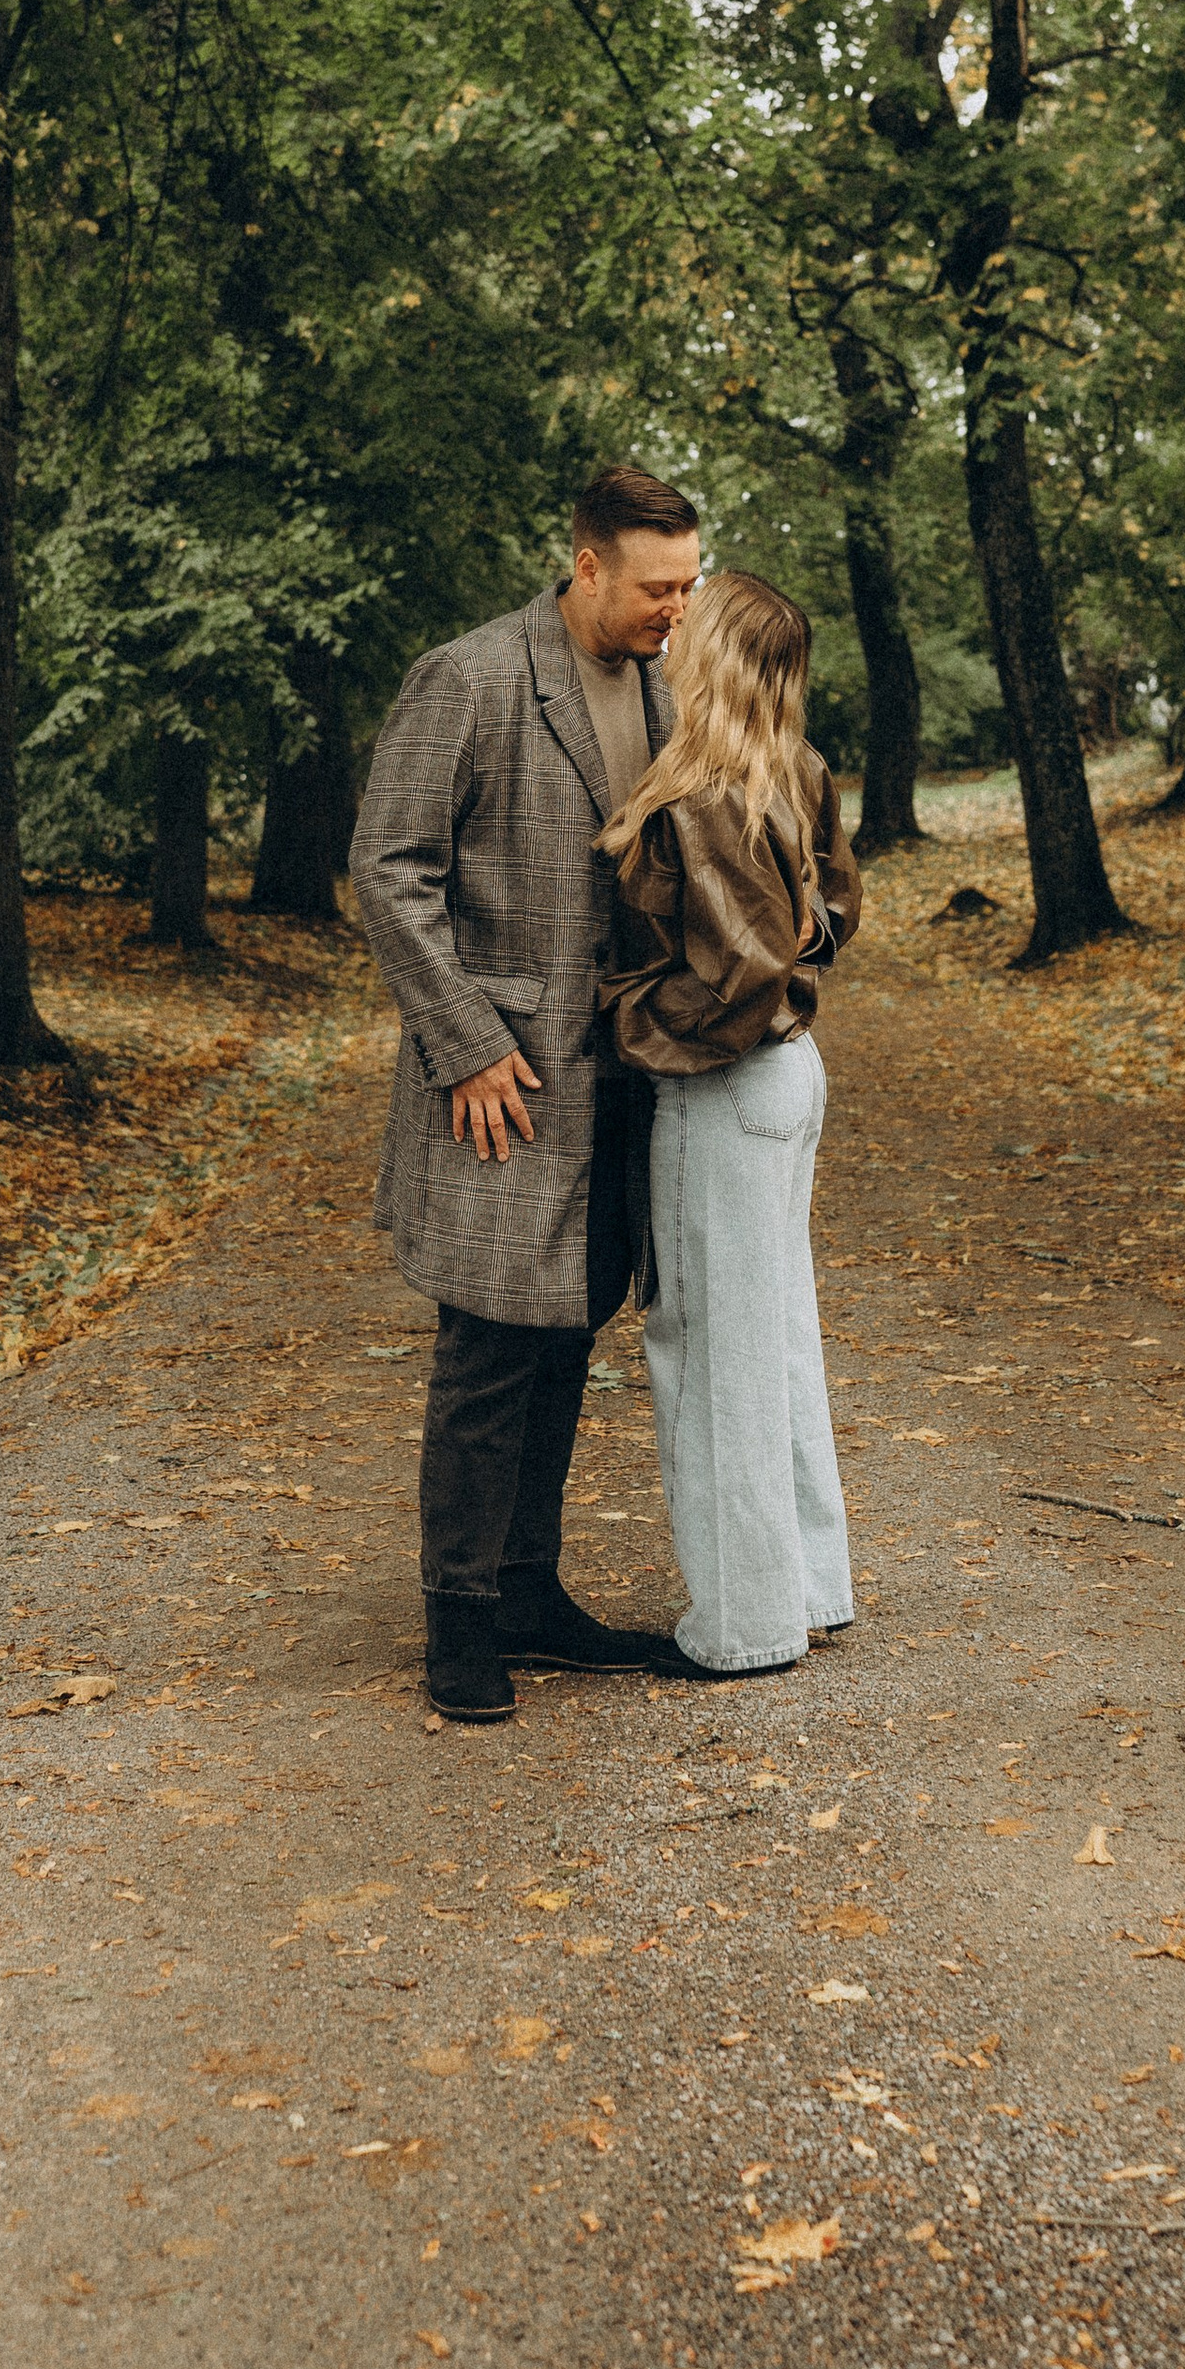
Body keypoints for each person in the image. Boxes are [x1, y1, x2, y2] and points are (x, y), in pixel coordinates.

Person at [351, 464, 704, 1723]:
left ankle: (529, 1591)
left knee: (572, 1327)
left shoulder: (665, 684)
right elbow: (388, 873)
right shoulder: (471, 676)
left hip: (618, 1073)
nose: (677, 607)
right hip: (497, 1079)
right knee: (492, 1346)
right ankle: (458, 1626)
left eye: (690, 583)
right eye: (657, 586)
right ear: (588, 564)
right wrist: (463, 1044)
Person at [595, 573, 862, 1682]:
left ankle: (745, 1626)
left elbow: (743, 981)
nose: (668, 636)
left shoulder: (706, 793)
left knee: (712, 1354)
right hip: (784, 1078)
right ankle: (807, 1584)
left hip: (730, 1082)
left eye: (688, 628)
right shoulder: (790, 772)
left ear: (716, 659)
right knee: (776, 1338)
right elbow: (834, 915)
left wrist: (625, 1014)